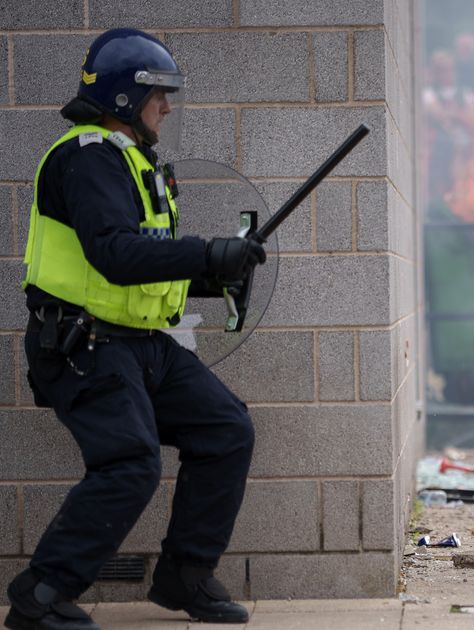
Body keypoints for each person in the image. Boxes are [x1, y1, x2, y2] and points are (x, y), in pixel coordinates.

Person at [6, 29, 265, 630]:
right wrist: (206, 253)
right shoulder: (88, 156)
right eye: (159, 97)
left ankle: (184, 578)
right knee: (130, 462)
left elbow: (144, 268)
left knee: (226, 430)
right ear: (126, 97)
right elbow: (115, 255)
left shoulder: (132, 159)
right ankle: (38, 596)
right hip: (83, 345)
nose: (167, 108)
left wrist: (217, 272)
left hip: (138, 342)